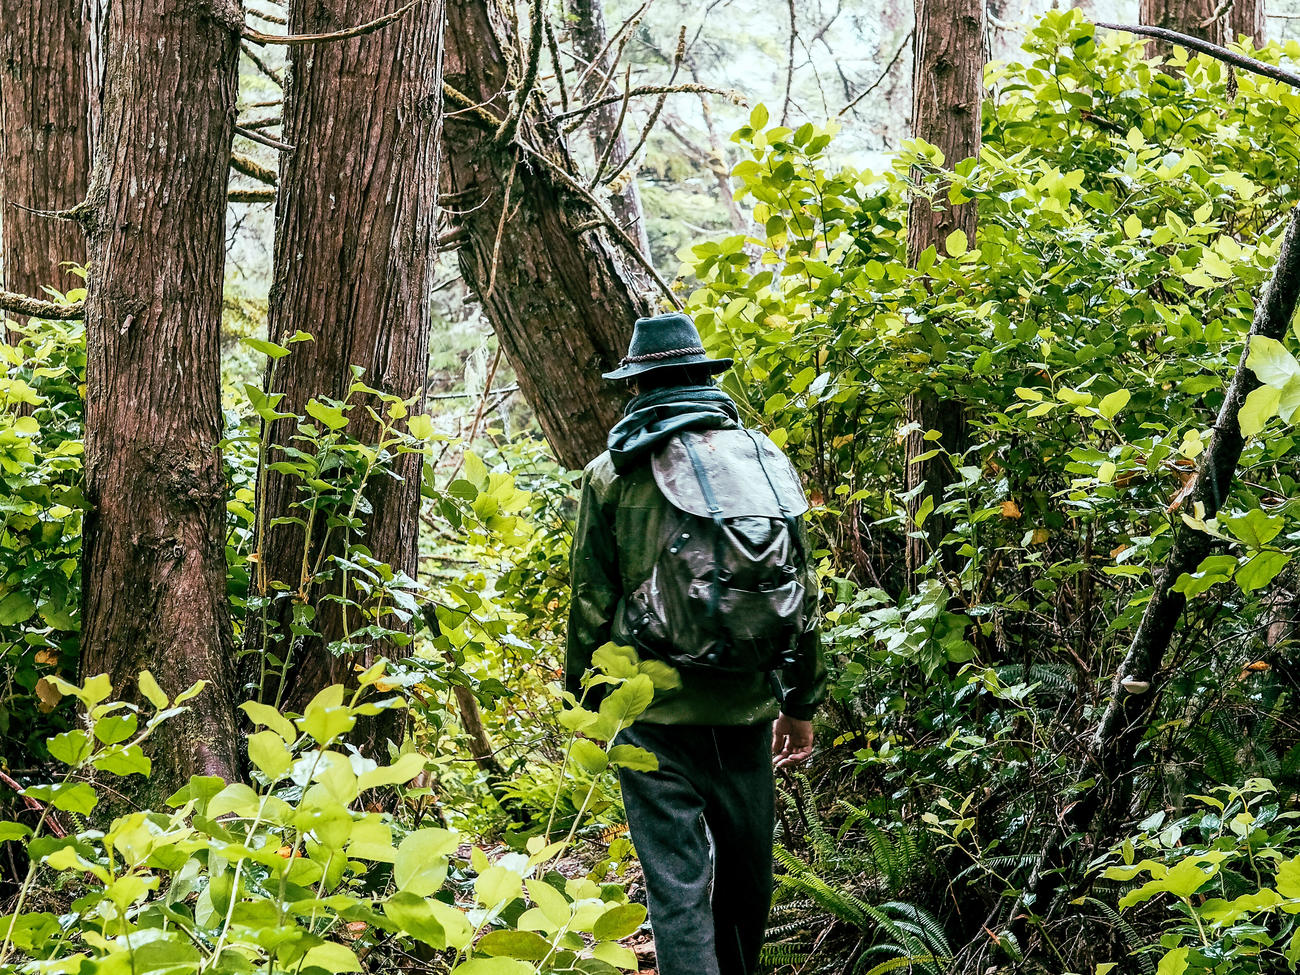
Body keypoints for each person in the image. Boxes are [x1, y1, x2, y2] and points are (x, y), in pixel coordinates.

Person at [566, 311, 826, 975]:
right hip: (744, 708)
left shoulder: (611, 473)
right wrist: (801, 702)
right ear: (702, 377)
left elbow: (592, 601)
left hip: (649, 713)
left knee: (677, 889)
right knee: (747, 883)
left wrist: (591, 706)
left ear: (638, 386)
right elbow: (797, 591)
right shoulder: (763, 463)